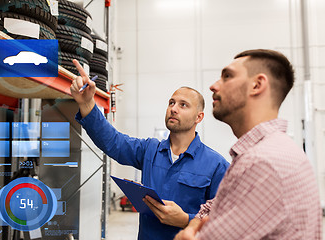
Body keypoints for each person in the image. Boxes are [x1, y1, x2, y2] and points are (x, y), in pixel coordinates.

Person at [70, 59, 229, 240]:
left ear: (198, 117)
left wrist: (186, 220)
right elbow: (113, 141)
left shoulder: (216, 165)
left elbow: (225, 220)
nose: (173, 109)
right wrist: (86, 103)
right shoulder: (150, 150)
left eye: (183, 105)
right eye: (171, 103)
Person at [174, 49, 323, 240]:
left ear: (257, 85)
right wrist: (195, 223)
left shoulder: (264, 163)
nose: (213, 86)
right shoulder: (266, 152)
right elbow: (216, 206)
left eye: (227, 76)